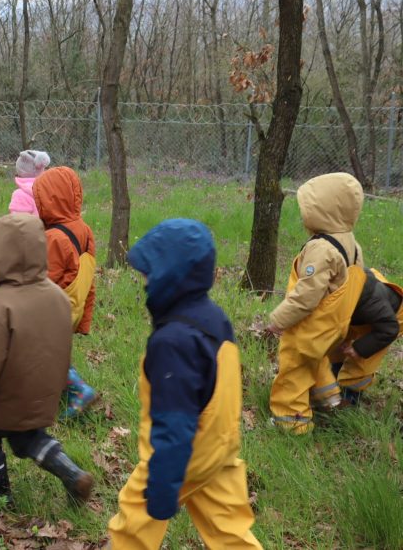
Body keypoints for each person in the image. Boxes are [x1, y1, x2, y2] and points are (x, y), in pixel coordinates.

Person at [107, 219, 262, 549]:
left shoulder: (173, 342)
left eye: (148, 270)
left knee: (132, 521)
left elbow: (175, 425)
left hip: (186, 452)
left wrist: (162, 488)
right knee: (229, 531)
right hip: (222, 447)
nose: (143, 278)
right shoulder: (213, 318)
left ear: (169, 275)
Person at [0, 213, 93, 506]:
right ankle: (71, 472)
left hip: (3, 397)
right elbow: (60, 347)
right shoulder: (56, 296)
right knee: (27, 437)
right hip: (39, 394)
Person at [266, 172, 366, 434]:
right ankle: (329, 399)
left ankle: (292, 421)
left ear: (325, 211)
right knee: (317, 359)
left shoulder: (321, 248)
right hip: (335, 323)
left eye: (307, 209)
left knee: (295, 367)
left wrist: (279, 320)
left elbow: (307, 295)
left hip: (310, 324)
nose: (303, 215)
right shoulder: (352, 244)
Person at [32, 166, 98, 418]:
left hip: (54, 309)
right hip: (73, 305)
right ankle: (56, 390)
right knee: (58, 349)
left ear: (46, 201)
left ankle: (77, 389)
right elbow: (87, 277)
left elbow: (42, 282)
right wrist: (84, 319)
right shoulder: (85, 230)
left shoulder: (54, 238)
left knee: (40, 351)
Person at [332, 268, 402, 404]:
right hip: (360, 315)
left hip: (387, 324)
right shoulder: (336, 282)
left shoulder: (371, 302)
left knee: (359, 363)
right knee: (335, 346)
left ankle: (350, 398)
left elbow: (389, 329)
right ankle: (335, 374)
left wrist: (358, 349)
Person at [9, 150, 50, 217]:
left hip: (31, 227)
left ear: (19, 170)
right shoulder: (50, 190)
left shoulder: (19, 195)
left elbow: (17, 222)